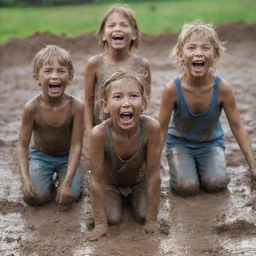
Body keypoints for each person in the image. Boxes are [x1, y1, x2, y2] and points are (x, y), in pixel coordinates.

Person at [158, 21, 256, 196]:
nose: (198, 53)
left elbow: (238, 127)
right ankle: (187, 168)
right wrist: (151, 168)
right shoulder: (172, 89)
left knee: (216, 183)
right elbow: (161, 129)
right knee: (187, 187)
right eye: (191, 48)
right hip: (180, 144)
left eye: (205, 48)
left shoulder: (223, 89)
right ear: (181, 54)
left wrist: (253, 165)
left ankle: (203, 168)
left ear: (215, 54)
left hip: (211, 143)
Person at [89, 68, 160, 240]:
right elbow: (96, 181)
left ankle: (137, 202)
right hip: (110, 184)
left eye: (134, 96)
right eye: (118, 97)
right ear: (104, 105)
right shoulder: (99, 134)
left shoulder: (151, 128)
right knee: (113, 219)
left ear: (143, 103)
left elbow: (153, 176)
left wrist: (152, 220)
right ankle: (115, 203)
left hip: (139, 182)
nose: (126, 103)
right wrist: (100, 223)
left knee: (143, 215)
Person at [17, 45, 84, 206]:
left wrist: (67, 183)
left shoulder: (77, 107)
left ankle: (66, 180)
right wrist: (25, 180)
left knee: (71, 196)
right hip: (41, 156)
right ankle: (46, 182)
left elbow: (76, 146)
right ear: (37, 78)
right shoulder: (31, 108)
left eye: (61, 71)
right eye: (47, 71)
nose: (55, 76)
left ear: (70, 77)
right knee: (34, 198)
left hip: (67, 157)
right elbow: (22, 145)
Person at [83, 6, 151, 156]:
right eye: (111, 25)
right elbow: (88, 102)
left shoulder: (142, 65)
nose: (117, 28)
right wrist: (88, 133)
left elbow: (144, 103)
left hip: (129, 129)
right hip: (100, 128)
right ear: (103, 35)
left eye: (124, 25)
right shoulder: (94, 64)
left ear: (134, 34)